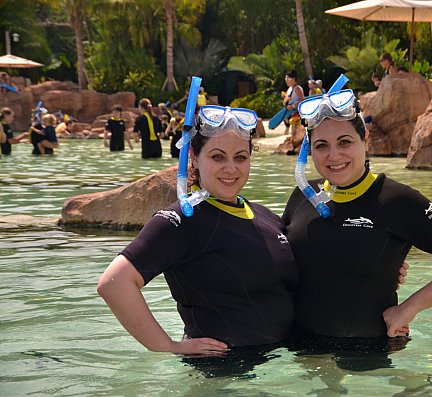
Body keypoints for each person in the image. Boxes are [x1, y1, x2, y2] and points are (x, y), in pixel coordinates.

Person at [283, 89, 432, 341]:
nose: (333, 155)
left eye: (344, 142)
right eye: (321, 145)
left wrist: (408, 309)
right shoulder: (302, 196)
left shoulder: (396, 200)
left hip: (368, 364)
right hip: (299, 354)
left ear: (365, 138)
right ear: (309, 150)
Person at [97, 105, 299, 355]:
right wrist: (168, 346)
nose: (231, 168)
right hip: (224, 373)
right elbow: (113, 283)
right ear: (193, 156)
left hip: (283, 364)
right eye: (217, 157)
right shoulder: (183, 220)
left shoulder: (263, 215)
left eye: (240, 157)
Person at [283, 70, 305, 136]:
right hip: (288, 112)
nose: (286, 80)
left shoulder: (297, 88)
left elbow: (303, 100)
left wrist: (293, 106)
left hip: (296, 113)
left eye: (287, 78)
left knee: (295, 133)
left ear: (293, 79)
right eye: (285, 78)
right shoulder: (289, 88)